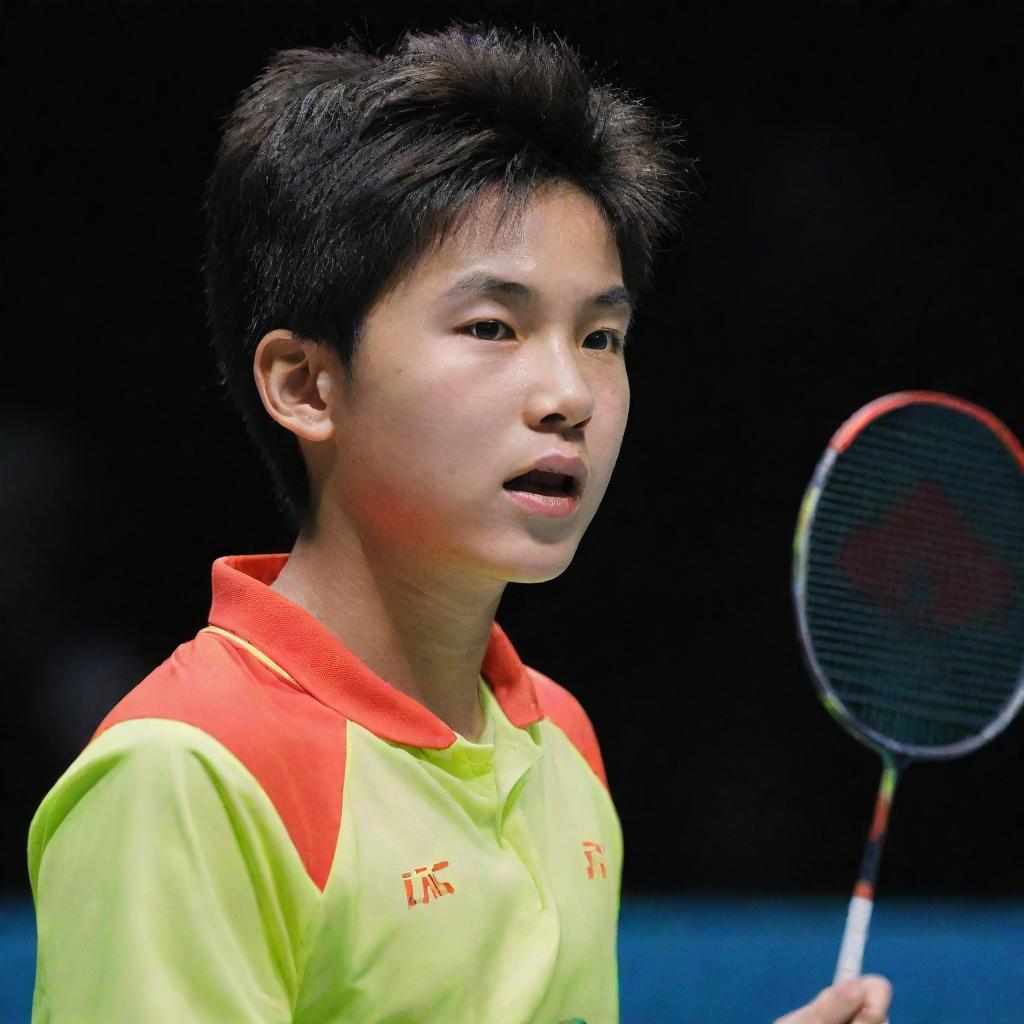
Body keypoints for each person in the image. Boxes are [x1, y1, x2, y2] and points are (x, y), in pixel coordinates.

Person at [26, 19, 892, 1024]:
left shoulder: (560, 742)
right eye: (493, 327)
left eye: (601, 335)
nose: (568, 392)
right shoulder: (192, 774)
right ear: (306, 384)